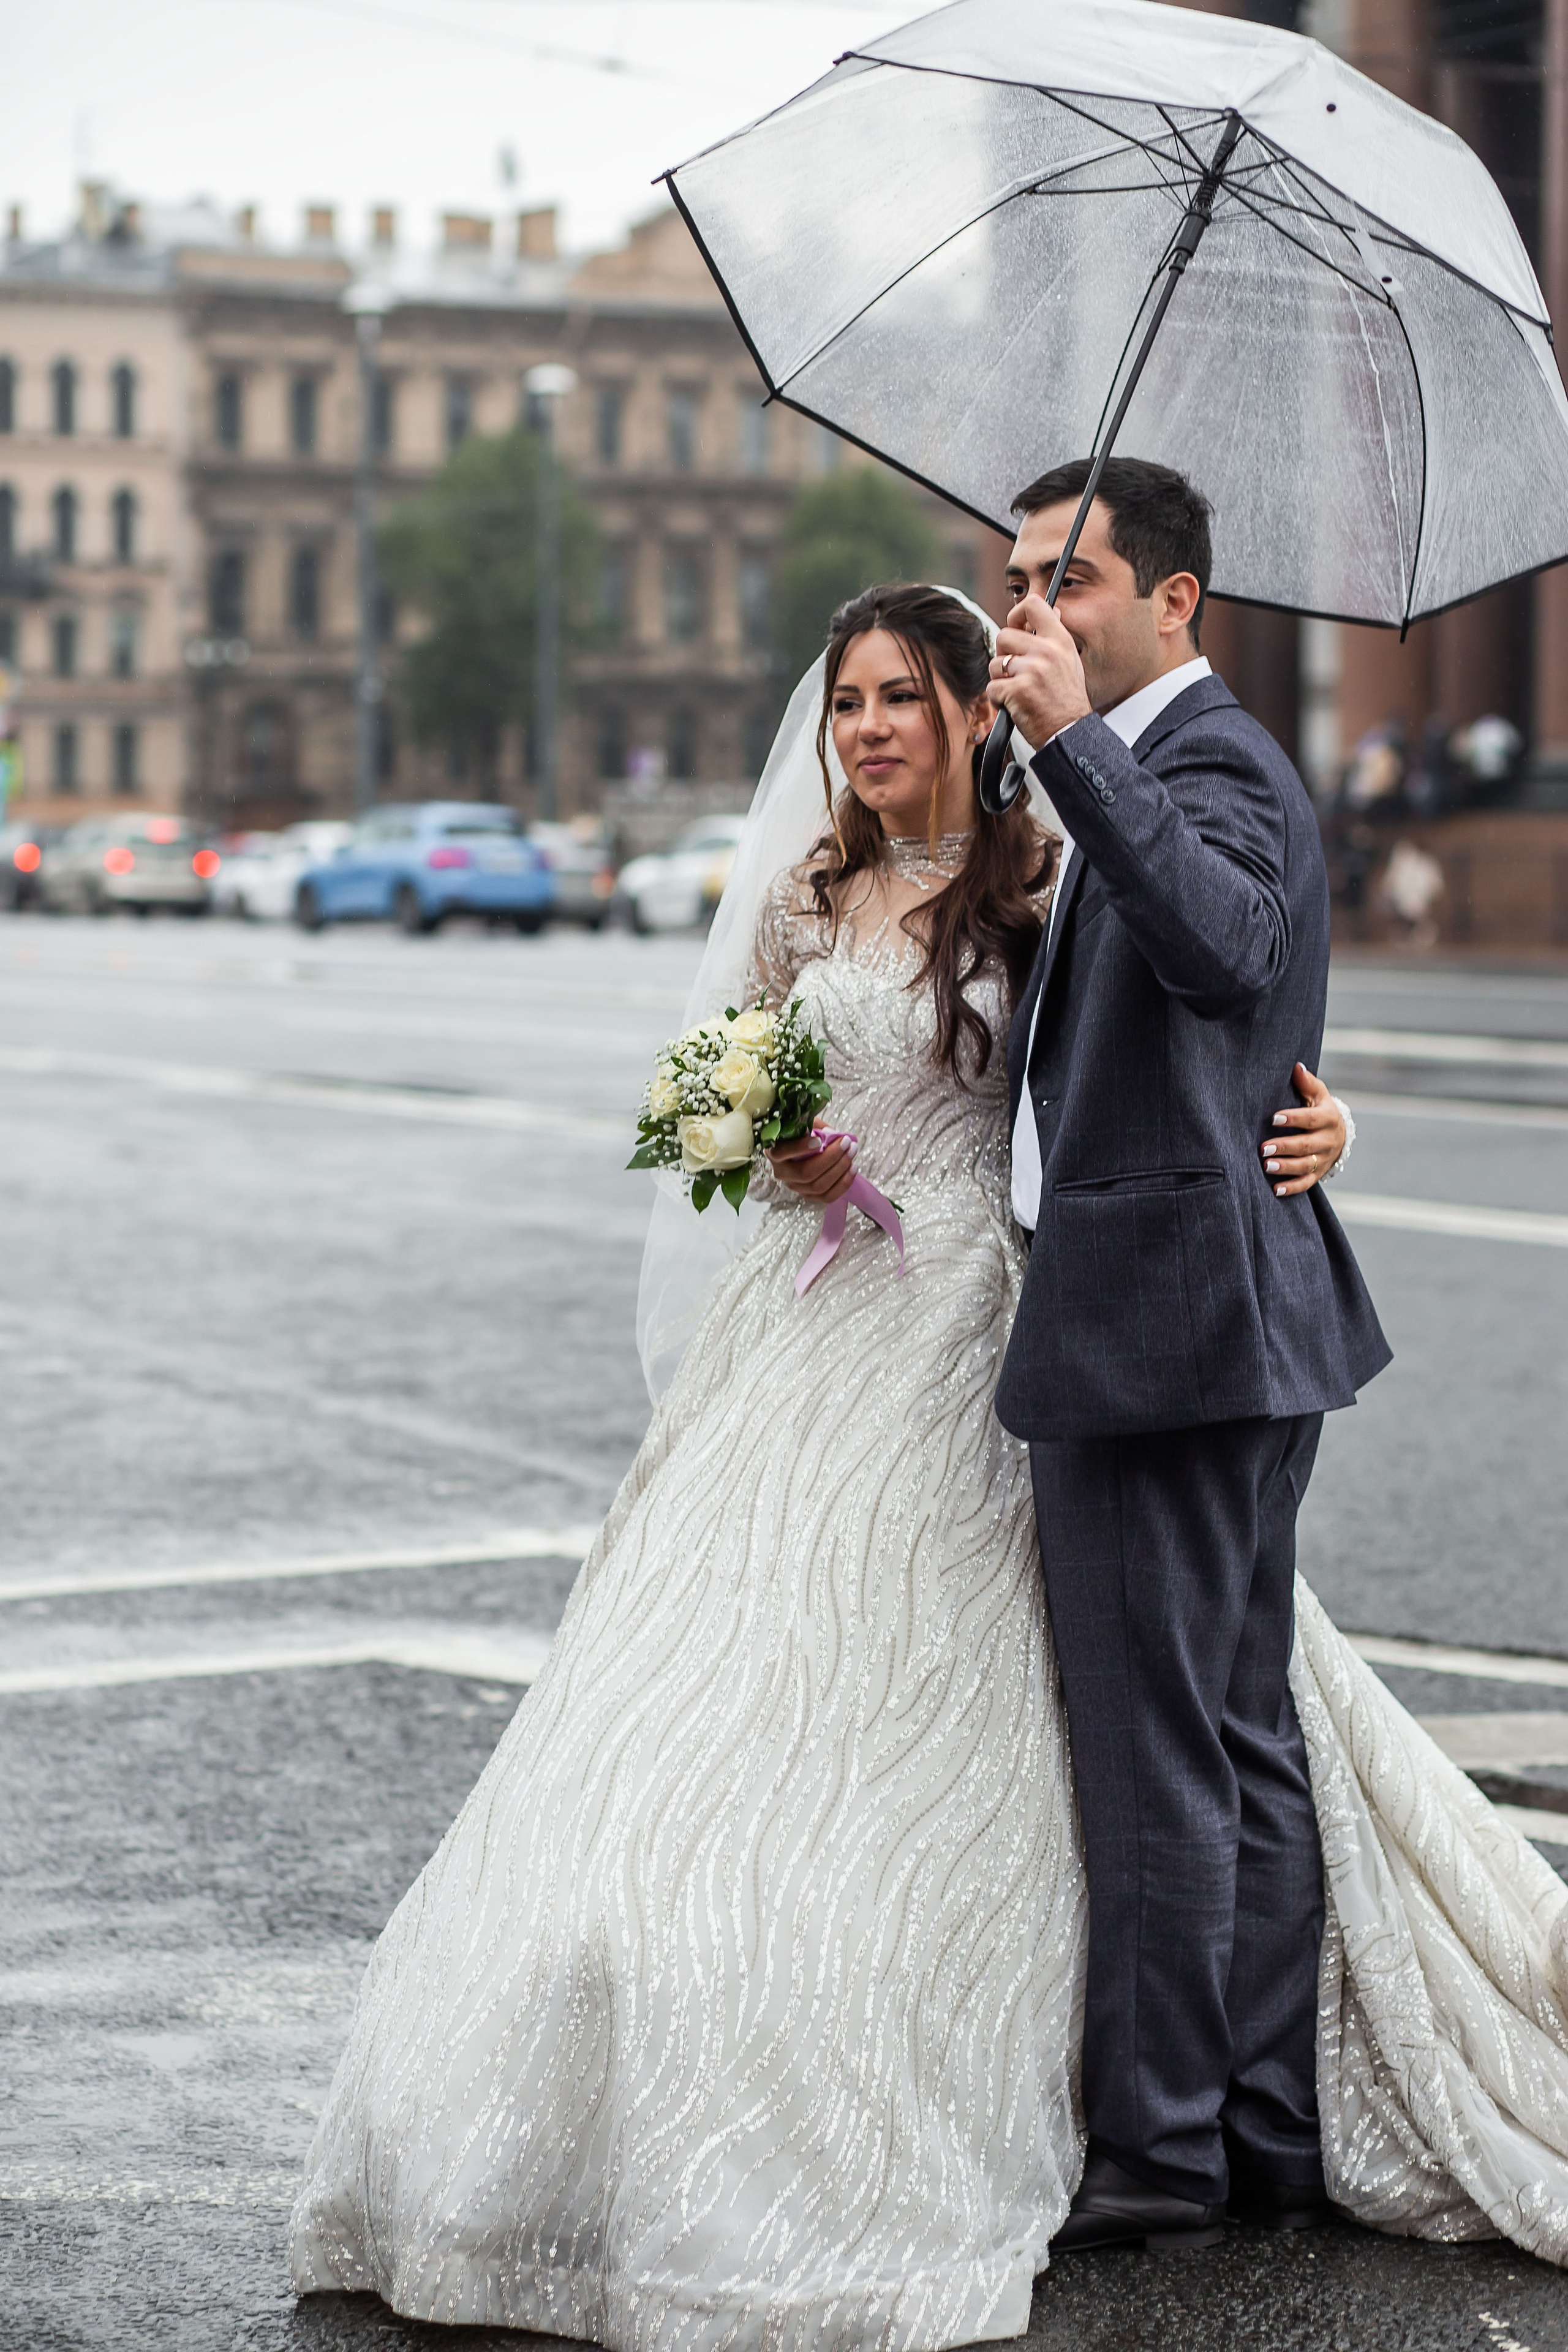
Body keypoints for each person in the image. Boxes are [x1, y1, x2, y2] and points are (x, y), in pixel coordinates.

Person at [288, 582, 1568, 2348]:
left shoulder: (1046, 878)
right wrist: (764, 1150)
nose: (867, 730)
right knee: (707, 1688)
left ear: (979, 713)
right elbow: (710, 1094)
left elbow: (1192, 1025)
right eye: (846, 704)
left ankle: (1129, 2086)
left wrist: (1326, 1107)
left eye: (902, 698)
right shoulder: (810, 892)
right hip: (807, 1327)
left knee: (1057, 1702)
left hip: (987, 1321)